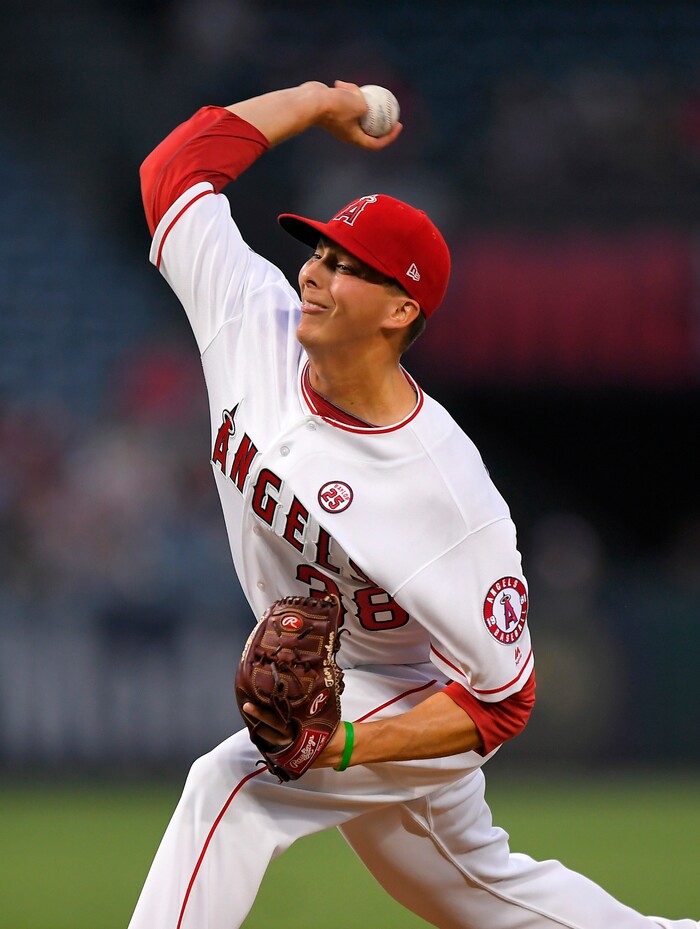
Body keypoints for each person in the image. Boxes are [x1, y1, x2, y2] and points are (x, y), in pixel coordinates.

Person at [130, 79, 697, 929]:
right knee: (485, 896)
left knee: (233, 782)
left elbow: (503, 698)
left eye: (348, 268)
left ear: (402, 309)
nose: (315, 274)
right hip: (341, 681)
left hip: (404, 694)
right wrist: (320, 101)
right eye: (318, 253)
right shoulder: (251, 315)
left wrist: (347, 741)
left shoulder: (447, 492)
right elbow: (175, 172)